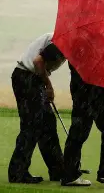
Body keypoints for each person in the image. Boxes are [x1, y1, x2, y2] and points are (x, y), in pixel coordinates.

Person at [7, 33, 67, 184]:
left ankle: (58, 170)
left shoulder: (65, 38)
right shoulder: (63, 40)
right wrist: (48, 85)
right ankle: (17, 173)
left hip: (31, 78)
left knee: (48, 124)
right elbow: (38, 61)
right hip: (27, 78)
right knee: (31, 126)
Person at [62, 64, 104, 187]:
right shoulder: (92, 48)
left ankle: (70, 174)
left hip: (83, 89)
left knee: (80, 132)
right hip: (92, 90)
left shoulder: (79, 47)